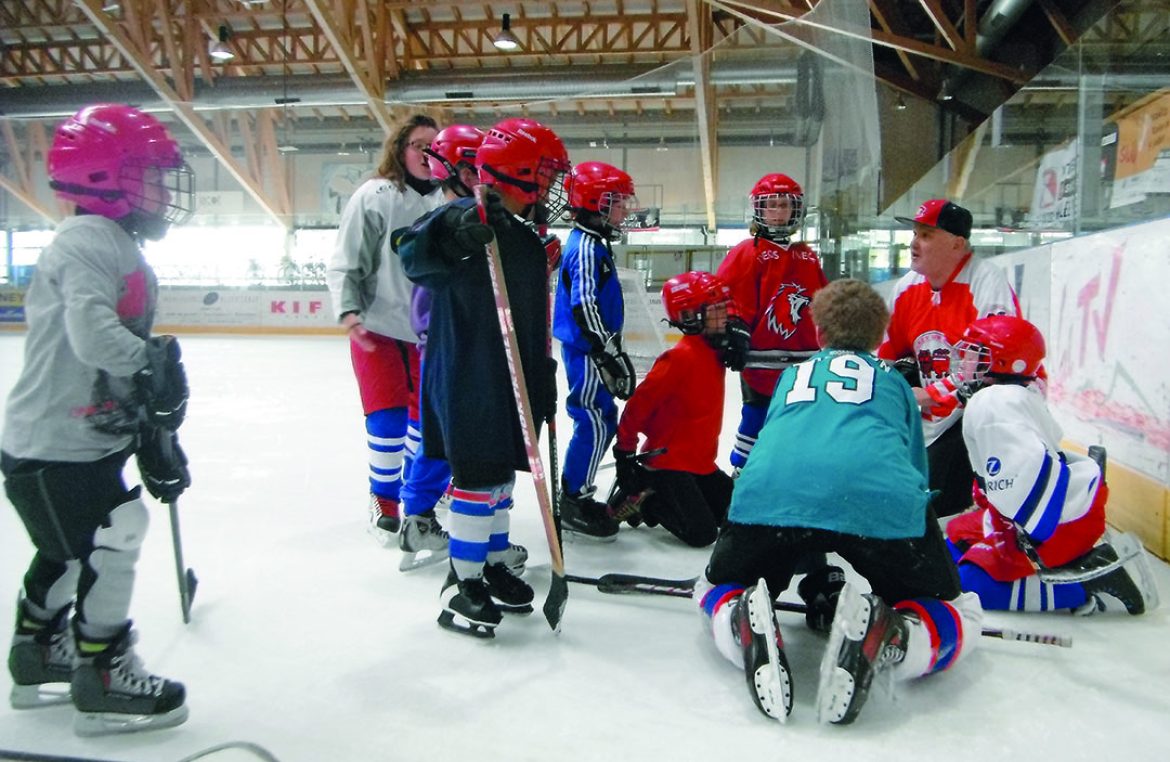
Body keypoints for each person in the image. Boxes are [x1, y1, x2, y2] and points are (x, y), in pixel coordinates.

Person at [695, 278, 983, 725]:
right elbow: (913, 471)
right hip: (876, 501)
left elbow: (778, 449)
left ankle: (737, 620)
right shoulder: (894, 383)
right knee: (953, 608)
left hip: (767, 498)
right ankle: (898, 638)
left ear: (820, 332)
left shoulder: (792, 375)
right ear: (878, 336)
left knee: (715, 588)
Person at [2, 104, 195, 735]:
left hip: (75, 438)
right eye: (151, 177)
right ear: (102, 178)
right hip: (53, 444)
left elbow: (117, 367)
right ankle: (103, 669)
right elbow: (94, 339)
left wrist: (153, 431)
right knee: (116, 534)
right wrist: (153, 363)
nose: (163, 193)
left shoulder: (115, 244)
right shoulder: (86, 241)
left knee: (64, 552)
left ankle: (37, 651)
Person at [397, 117, 568, 638]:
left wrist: (542, 371)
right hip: (468, 378)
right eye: (544, 174)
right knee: (476, 479)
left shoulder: (521, 236)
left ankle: (490, 560)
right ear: (517, 173)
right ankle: (461, 582)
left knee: (498, 479)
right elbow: (413, 254)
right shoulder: (460, 217)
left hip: (510, 380)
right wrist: (459, 229)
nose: (552, 187)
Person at [943, 315, 1160, 615]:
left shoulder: (993, 402)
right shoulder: (1012, 391)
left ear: (1006, 362)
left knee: (965, 584)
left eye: (977, 355)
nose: (966, 363)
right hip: (1063, 502)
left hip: (1061, 521)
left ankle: (1091, 580)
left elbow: (1030, 477)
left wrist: (1026, 543)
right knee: (949, 549)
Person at [396, 124, 527, 576]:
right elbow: (419, 271)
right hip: (449, 348)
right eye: (471, 167)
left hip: (467, 346)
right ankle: (416, 514)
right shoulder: (447, 219)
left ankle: (439, 519)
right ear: (449, 169)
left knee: (443, 441)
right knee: (438, 440)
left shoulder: (480, 216)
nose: (479, 176)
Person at [327, 114, 444, 544]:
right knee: (388, 417)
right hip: (378, 327)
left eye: (435, 145)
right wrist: (349, 309)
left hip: (430, 331)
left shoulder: (446, 200)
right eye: (419, 144)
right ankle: (385, 498)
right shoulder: (376, 196)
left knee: (424, 422)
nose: (427, 153)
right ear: (399, 150)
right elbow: (347, 255)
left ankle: (415, 493)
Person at [878, 198, 1021, 517]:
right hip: (932, 411)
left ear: (957, 244)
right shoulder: (907, 288)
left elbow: (993, 369)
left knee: (940, 501)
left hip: (975, 415)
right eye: (914, 233)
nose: (914, 243)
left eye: (926, 235)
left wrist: (927, 395)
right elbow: (887, 357)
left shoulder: (986, 282)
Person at [608, 271, 734, 547]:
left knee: (735, 518)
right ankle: (647, 499)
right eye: (716, 310)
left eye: (724, 307)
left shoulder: (717, 350)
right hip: (668, 464)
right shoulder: (678, 359)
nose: (725, 316)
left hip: (701, 464)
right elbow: (638, 407)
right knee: (702, 534)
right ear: (689, 315)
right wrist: (625, 451)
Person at [715, 173, 827, 475]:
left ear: (796, 210)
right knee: (756, 415)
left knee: (800, 419)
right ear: (759, 210)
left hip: (804, 362)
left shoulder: (806, 255)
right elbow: (727, 297)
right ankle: (743, 473)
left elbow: (822, 302)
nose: (778, 212)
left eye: (784, 205)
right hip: (760, 360)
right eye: (772, 205)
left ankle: (788, 474)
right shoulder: (747, 252)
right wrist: (733, 331)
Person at [552, 161, 639, 541]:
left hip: (592, 348)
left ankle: (577, 489)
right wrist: (606, 352)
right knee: (593, 420)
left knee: (602, 419)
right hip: (587, 351)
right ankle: (573, 498)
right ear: (593, 201)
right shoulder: (586, 247)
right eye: (615, 201)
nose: (623, 209)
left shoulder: (593, 243)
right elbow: (584, 305)